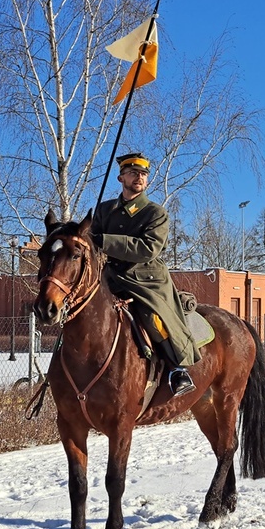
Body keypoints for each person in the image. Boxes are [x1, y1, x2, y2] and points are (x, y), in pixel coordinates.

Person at [91, 152, 200, 397]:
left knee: (153, 319)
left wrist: (104, 241)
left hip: (145, 279)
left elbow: (147, 249)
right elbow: (91, 244)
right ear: (121, 178)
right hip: (109, 278)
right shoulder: (104, 209)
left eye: (143, 174)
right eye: (133, 173)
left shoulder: (155, 213)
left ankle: (177, 368)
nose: (139, 177)